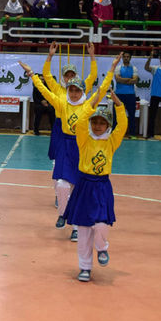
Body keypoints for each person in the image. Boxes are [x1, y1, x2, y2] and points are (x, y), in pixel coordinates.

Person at [18, 54, 117, 243]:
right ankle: (63, 214)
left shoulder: (88, 106)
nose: (73, 94)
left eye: (77, 90)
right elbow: (44, 89)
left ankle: (77, 229)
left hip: (81, 147)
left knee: (78, 189)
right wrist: (31, 74)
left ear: (82, 91)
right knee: (62, 185)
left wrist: (111, 69)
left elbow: (101, 90)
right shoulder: (62, 103)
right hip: (65, 146)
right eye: (71, 90)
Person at [63, 87, 127, 283]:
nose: (98, 125)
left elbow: (123, 124)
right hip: (84, 185)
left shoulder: (112, 141)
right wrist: (93, 103)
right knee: (83, 231)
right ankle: (84, 267)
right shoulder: (84, 138)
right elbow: (81, 120)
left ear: (108, 125)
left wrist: (118, 104)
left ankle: (102, 247)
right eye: (95, 121)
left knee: (101, 224)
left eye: (102, 122)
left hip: (101, 187)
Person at [41, 42, 98, 221]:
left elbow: (93, 76)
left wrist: (92, 56)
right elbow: (45, 76)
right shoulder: (58, 90)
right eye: (67, 75)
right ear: (63, 77)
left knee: (75, 164)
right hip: (61, 127)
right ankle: (60, 193)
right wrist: (50, 56)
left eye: (72, 74)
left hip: (79, 131)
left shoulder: (81, 90)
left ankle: (70, 197)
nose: (69, 77)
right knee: (58, 159)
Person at [144, 48, 161, 140]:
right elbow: (146, 68)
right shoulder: (155, 69)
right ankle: (150, 134)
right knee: (152, 116)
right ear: (159, 59)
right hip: (155, 95)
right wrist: (150, 58)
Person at [114, 51, 138, 138]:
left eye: (128, 57)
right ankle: (116, 134)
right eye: (125, 57)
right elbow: (117, 80)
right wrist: (129, 80)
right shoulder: (118, 68)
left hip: (131, 95)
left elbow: (135, 80)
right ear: (122, 58)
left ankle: (132, 134)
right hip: (119, 95)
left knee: (131, 115)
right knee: (117, 115)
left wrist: (122, 79)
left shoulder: (134, 68)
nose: (126, 58)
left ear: (130, 58)